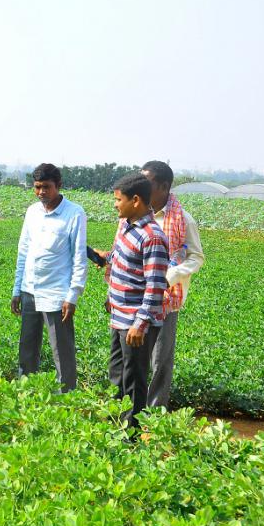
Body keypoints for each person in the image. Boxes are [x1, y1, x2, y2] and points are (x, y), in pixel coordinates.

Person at [11, 163, 87, 392]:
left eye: (46, 187)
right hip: (29, 289)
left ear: (59, 186)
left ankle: (67, 398)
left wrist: (72, 296)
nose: (41, 192)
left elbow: (79, 257)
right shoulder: (32, 212)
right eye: (37, 187)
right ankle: (27, 394)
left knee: (61, 351)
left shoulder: (74, 213)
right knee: (27, 348)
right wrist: (17, 289)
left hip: (57, 293)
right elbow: (23, 250)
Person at [102, 173, 169, 429]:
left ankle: (130, 437)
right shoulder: (127, 228)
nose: (115, 204)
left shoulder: (152, 237)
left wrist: (140, 324)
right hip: (119, 318)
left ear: (136, 200)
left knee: (134, 381)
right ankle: (114, 428)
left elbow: (155, 286)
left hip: (134, 324)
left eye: (119, 200)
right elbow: (121, 264)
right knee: (117, 376)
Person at [141, 160, 205, 409]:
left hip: (167, 299)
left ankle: (155, 412)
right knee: (136, 356)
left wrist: (171, 276)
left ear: (164, 186)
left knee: (160, 359)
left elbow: (196, 257)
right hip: (138, 294)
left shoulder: (183, 219)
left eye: (147, 183)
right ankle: (133, 408)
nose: (141, 188)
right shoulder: (138, 213)